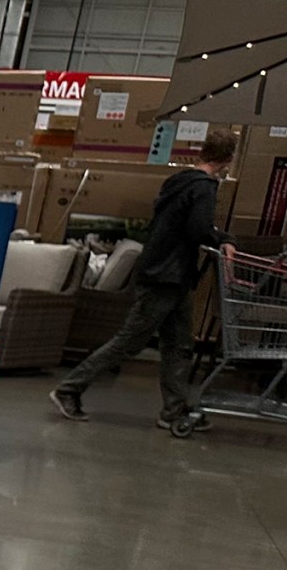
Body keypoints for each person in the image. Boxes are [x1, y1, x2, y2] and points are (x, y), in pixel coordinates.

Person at [52, 132, 237, 431]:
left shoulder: (178, 181)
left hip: (165, 272)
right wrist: (224, 239)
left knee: (179, 344)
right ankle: (69, 388)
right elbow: (198, 229)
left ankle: (174, 410)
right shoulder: (204, 187)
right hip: (168, 275)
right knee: (130, 340)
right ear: (228, 159)